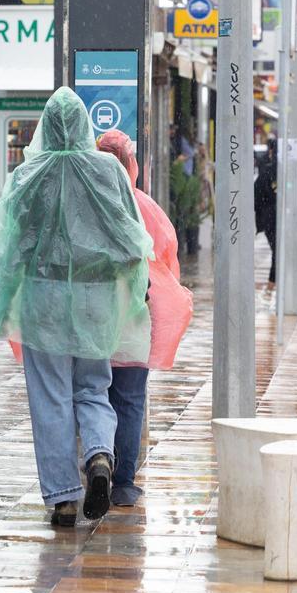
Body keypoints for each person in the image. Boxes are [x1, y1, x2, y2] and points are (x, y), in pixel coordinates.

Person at [0, 88, 152, 528]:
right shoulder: (107, 171)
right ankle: (100, 455)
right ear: (84, 125)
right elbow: (132, 237)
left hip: (44, 295)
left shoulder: (29, 174)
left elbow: (13, 245)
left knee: (50, 396)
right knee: (94, 388)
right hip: (96, 295)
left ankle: (63, 497)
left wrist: (2, 302)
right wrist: (131, 290)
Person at [97, 130, 193, 507]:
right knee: (130, 398)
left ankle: (96, 461)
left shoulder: (88, 203)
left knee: (92, 395)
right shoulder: (144, 207)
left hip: (91, 318)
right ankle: (121, 480)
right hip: (136, 315)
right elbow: (167, 259)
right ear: (130, 164)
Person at [255, 138, 278, 291]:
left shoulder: (267, 171)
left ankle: (270, 289)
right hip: (277, 218)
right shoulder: (292, 170)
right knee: (279, 252)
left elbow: (256, 196)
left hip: (269, 219)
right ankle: (271, 288)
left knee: (277, 252)